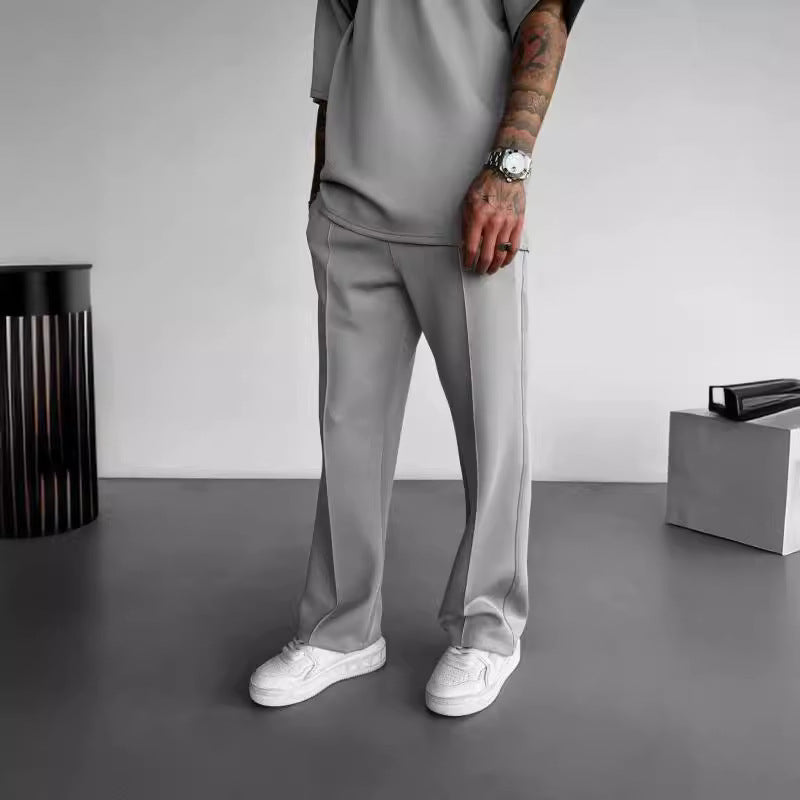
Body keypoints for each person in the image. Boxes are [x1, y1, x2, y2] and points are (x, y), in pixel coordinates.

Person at [250, 0, 585, 717]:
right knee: (349, 432)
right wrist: (319, 197)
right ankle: (341, 629)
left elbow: (545, 21)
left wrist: (510, 171)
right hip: (351, 213)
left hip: (471, 212)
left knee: (492, 430)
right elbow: (335, 71)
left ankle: (487, 629)